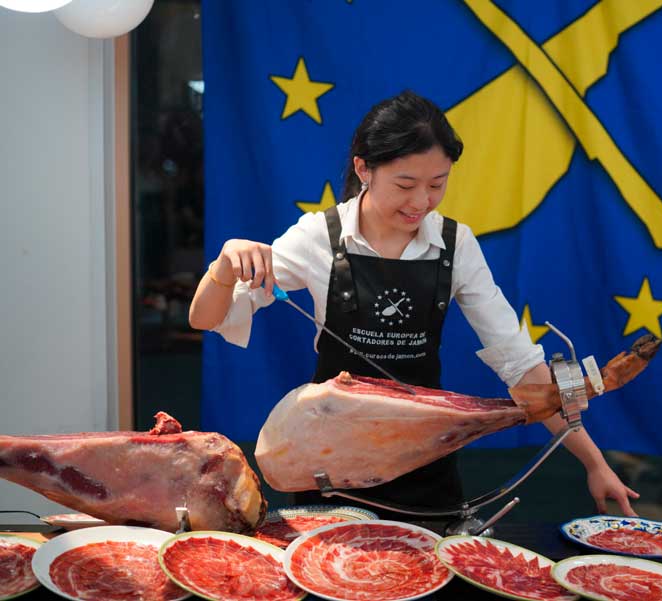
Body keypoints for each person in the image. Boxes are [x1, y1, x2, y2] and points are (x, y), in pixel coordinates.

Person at [189, 90, 639, 517]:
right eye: (405, 184)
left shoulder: (454, 244)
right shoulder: (318, 237)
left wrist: (594, 463)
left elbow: (521, 366)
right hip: (329, 460)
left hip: (423, 462)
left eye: (437, 184)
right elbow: (205, 318)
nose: (421, 202)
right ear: (364, 169)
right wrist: (225, 266)